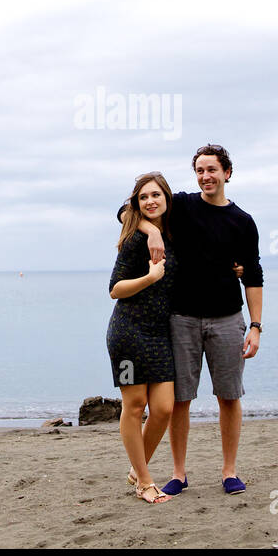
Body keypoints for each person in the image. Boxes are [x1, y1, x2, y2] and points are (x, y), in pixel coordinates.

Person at [135, 144, 262, 496]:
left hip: (227, 319)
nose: (206, 176)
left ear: (227, 173)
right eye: (200, 171)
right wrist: (154, 231)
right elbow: (127, 210)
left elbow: (253, 275)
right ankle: (178, 473)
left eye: (212, 170)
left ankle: (229, 471)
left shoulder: (243, 221)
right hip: (183, 319)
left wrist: (255, 326)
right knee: (180, 400)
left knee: (229, 397)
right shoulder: (184, 206)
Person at [106, 172, 178, 503]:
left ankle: (138, 469)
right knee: (134, 406)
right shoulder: (136, 239)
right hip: (127, 333)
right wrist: (149, 278)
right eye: (143, 197)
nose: (150, 201)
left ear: (167, 198)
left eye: (156, 195)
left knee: (163, 408)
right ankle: (145, 481)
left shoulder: (174, 234)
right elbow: (114, 290)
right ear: (137, 202)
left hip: (160, 334)